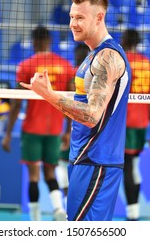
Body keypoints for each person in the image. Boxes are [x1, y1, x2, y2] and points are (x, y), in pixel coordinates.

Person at [20, 0, 132, 221]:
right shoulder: (92, 55)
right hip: (86, 159)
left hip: (97, 160)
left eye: (80, 17)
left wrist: (48, 95)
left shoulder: (107, 57)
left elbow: (92, 116)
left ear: (99, 17)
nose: (73, 23)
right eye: (72, 17)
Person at [1, 26, 75, 221]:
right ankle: (59, 209)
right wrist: (68, 131)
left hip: (32, 128)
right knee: (50, 172)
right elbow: (70, 103)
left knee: (34, 175)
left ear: (34, 42)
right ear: (50, 41)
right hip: (55, 129)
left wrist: (8, 133)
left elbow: (17, 103)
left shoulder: (26, 65)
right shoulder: (66, 66)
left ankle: (34, 222)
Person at [121, 29, 150, 221]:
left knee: (125, 167)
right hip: (141, 123)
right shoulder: (148, 64)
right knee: (133, 166)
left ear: (125, 40)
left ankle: (131, 216)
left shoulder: (120, 61)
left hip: (123, 122)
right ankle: (134, 214)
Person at [56, 43, 90, 209]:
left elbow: (71, 108)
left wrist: (66, 131)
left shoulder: (74, 78)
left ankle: (67, 205)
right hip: (90, 129)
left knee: (63, 163)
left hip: (76, 129)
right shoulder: (95, 76)